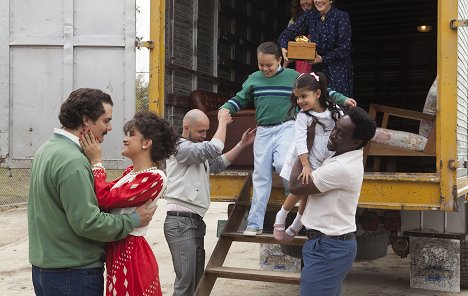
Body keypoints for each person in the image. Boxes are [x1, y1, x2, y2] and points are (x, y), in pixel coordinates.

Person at [28, 88, 156, 296]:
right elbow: (88, 223)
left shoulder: (47, 150)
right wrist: (133, 220)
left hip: (47, 270)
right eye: (106, 121)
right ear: (86, 120)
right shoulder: (73, 162)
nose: (110, 127)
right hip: (73, 274)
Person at [220, 41, 355, 237]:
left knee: (284, 163)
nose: (265, 69)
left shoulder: (294, 77)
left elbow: (318, 88)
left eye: (269, 65)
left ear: (280, 60)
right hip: (263, 130)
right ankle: (254, 223)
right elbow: (239, 98)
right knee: (260, 176)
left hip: (287, 126)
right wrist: (226, 108)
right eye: (261, 65)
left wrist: (343, 99)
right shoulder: (254, 79)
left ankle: (293, 194)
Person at [80, 111, 179, 296]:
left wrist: (96, 162)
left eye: (131, 135)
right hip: (120, 248)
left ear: (146, 143)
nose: (125, 139)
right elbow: (102, 196)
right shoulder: (131, 173)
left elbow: (103, 198)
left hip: (131, 253)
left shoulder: (154, 177)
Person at [164, 108, 256, 296]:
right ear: (186, 127)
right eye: (200, 132)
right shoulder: (180, 148)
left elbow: (217, 164)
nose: (204, 136)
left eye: (207, 131)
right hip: (181, 222)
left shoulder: (195, 153)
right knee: (186, 284)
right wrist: (222, 122)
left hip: (193, 221)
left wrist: (241, 144)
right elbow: (214, 149)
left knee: (196, 283)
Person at [289, 106, 377, 296]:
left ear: (356, 142)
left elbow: (295, 187)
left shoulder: (341, 167)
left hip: (329, 248)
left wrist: (305, 143)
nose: (333, 135)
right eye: (335, 128)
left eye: (341, 133)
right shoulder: (338, 156)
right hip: (327, 245)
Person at [274, 72, 346, 243]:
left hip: (328, 158)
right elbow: (300, 141)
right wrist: (305, 165)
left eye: (304, 96)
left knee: (310, 194)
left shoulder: (335, 112)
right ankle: (281, 217)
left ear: (318, 94)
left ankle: (296, 226)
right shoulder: (303, 116)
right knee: (300, 188)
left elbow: (345, 131)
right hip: (309, 155)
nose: (300, 101)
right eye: (297, 97)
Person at [278, 0, 354, 97]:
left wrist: (322, 59)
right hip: (318, 71)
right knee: (318, 103)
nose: (318, 0)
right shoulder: (310, 16)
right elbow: (286, 34)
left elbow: (344, 49)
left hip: (338, 70)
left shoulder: (341, 17)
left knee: (339, 105)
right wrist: (283, 48)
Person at [283, 0, 314, 73]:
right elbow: (288, 43)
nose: (305, 2)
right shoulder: (294, 20)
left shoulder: (323, 18)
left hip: (318, 63)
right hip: (300, 63)